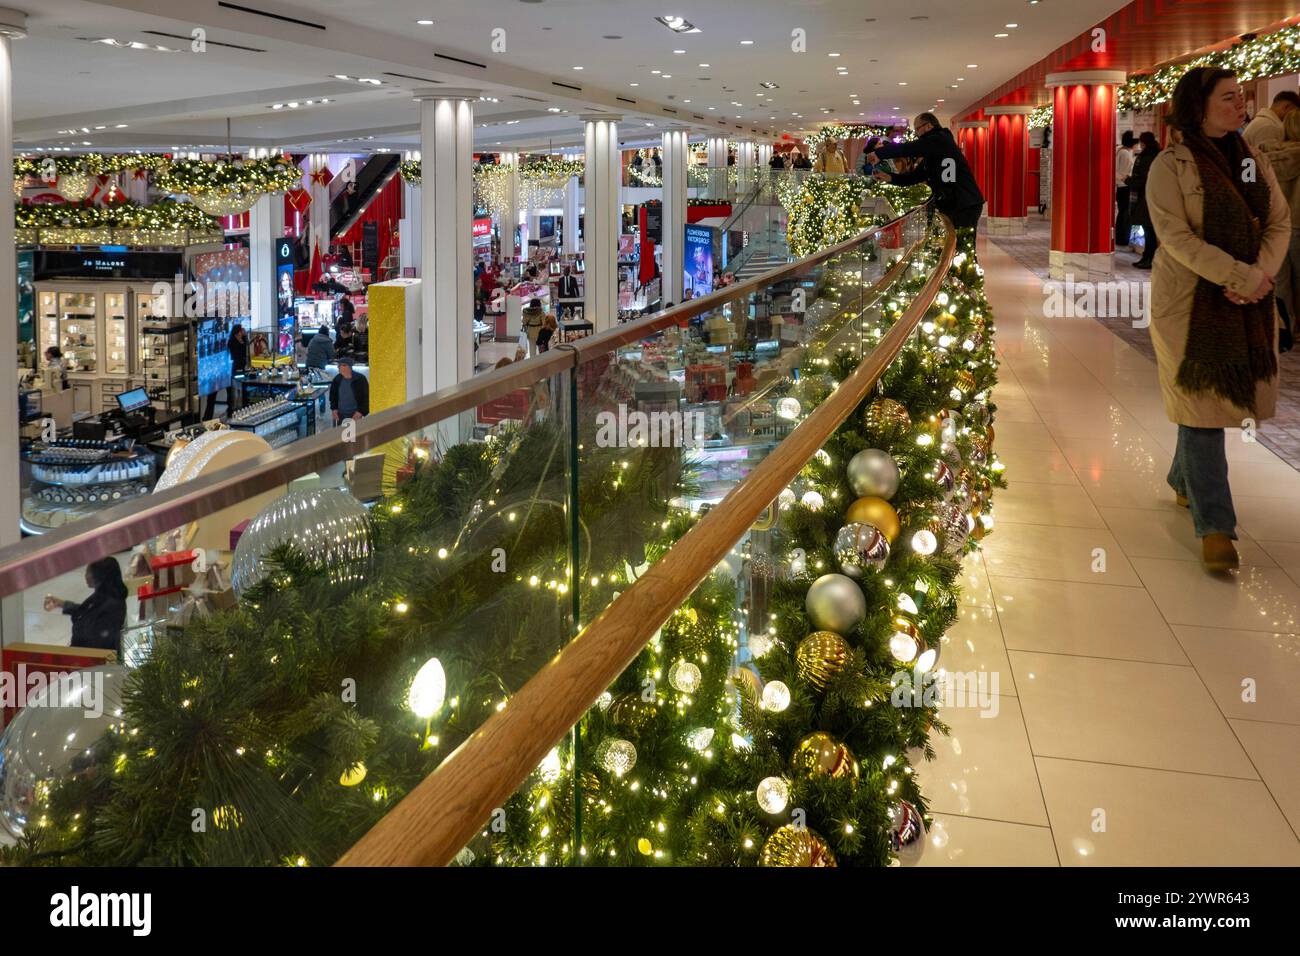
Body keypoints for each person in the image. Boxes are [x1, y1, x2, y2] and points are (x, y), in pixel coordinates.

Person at [1146, 66, 1291, 572]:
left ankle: (1182, 480)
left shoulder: (1252, 161)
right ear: (1199, 105)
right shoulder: (1171, 165)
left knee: (1210, 406)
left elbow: (1277, 221)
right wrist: (1236, 275)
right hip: (1187, 301)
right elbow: (1177, 237)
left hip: (1248, 301)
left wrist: (1259, 275)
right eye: (1229, 98)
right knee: (1201, 405)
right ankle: (1217, 528)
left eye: (1242, 97)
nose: (1240, 105)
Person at [863, 113, 985, 229]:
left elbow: (908, 148)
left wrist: (879, 153)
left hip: (964, 203)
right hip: (954, 203)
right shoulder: (933, 152)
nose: (916, 134)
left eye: (917, 129)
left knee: (959, 243)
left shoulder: (939, 139)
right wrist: (889, 177)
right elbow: (915, 177)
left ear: (928, 126)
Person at [1257, 110, 1300, 346]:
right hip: (1298, 224)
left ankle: (1285, 329)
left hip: (1275, 228)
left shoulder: (1265, 155)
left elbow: (1250, 183)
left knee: (1281, 282)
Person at [44, 557, 127, 654]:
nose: (85, 576)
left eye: (88, 572)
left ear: (99, 577)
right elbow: (88, 611)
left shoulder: (112, 606)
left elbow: (96, 642)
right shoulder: (105, 595)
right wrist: (61, 604)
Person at [1129, 131, 1163, 269]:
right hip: (1151, 196)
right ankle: (1147, 257)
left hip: (1146, 196)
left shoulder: (1147, 157)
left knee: (1149, 229)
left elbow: (1143, 178)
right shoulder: (1156, 154)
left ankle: (1149, 258)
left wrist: (1129, 180)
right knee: (1149, 229)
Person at [329, 355, 369, 424]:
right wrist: (334, 409)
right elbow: (332, 396)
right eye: (339, 366)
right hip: (340, 415)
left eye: (344, 365)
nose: (341, 367)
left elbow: (366, 397)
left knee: (355, 434)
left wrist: (361, 412)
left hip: (355, 415)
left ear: (350, 367)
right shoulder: (337, 379)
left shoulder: (360, 379)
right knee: (340, 434)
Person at [1116, 131, 1137, 248]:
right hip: (1125, 186)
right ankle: (1123, 238)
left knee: (1123, 213)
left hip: (1122, 186)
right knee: (1125, 213)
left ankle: (1121, 238)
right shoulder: (1125, 153)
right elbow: (1124, 172)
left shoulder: (1120, 150)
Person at [225, 323, 248, 412]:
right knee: (236, 383)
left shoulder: (244, 339)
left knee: (244, 383)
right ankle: (233, 405)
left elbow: (245, 348)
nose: (243, 331)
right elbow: (233, 352)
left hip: (243, 363)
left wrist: (245, 336)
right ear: (238, 331)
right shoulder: (232, 341)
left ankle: (244, 402)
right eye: (242, 330)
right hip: (236, 363)